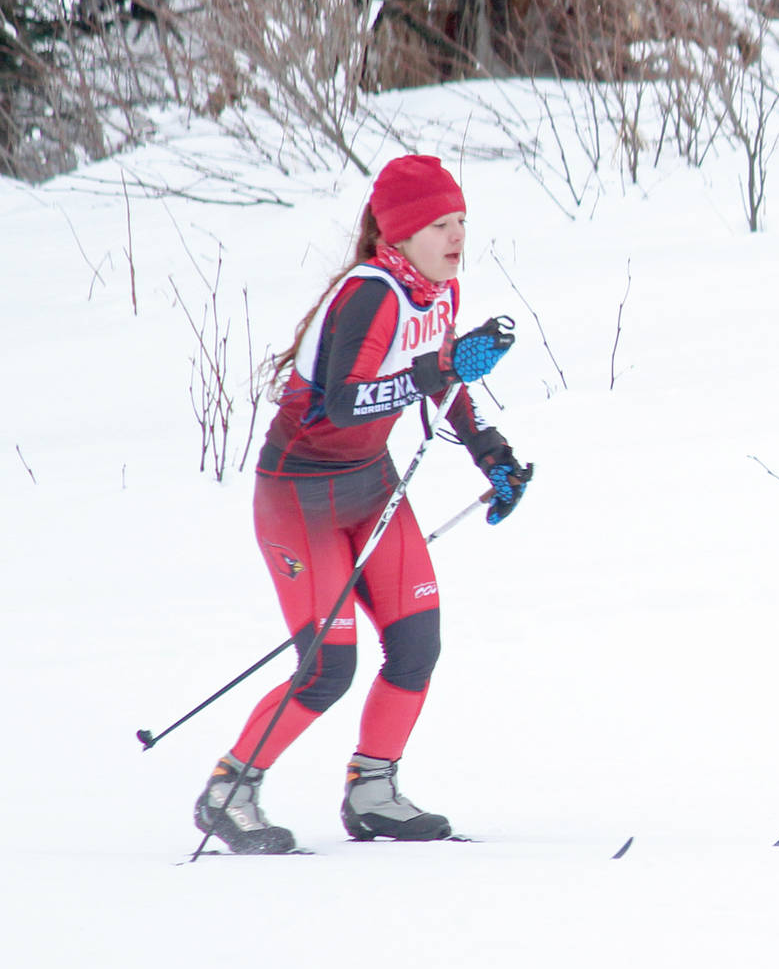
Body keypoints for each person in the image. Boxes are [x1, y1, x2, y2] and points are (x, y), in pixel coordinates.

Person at [192, 155, 535, 854]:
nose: (456, 235)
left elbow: (441, 383)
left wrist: (491, 452)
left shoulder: (440, 293)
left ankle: (373, 790)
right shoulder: (370, 293)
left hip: (371, 486)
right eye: (440, 223)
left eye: (462, 220)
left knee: (416, 643)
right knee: (328, 668)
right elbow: (348, 403)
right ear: (400, 233)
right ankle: (231, 789)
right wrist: (437, 369)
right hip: (301, 497)